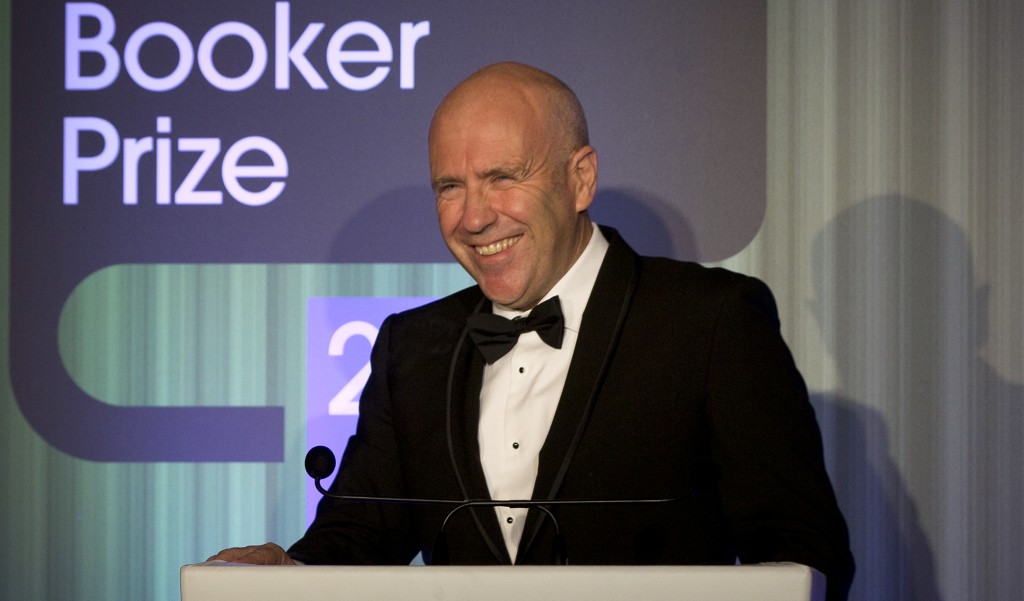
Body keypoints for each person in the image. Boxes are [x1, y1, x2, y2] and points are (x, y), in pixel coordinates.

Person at [211, 62, 855, 599]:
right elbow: (359, 536)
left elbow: (802, 552)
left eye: (502, 178)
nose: (473, 217)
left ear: (581, 179)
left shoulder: (711, 320)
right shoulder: (413, 347)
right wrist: (290, 575)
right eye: (449, 187)